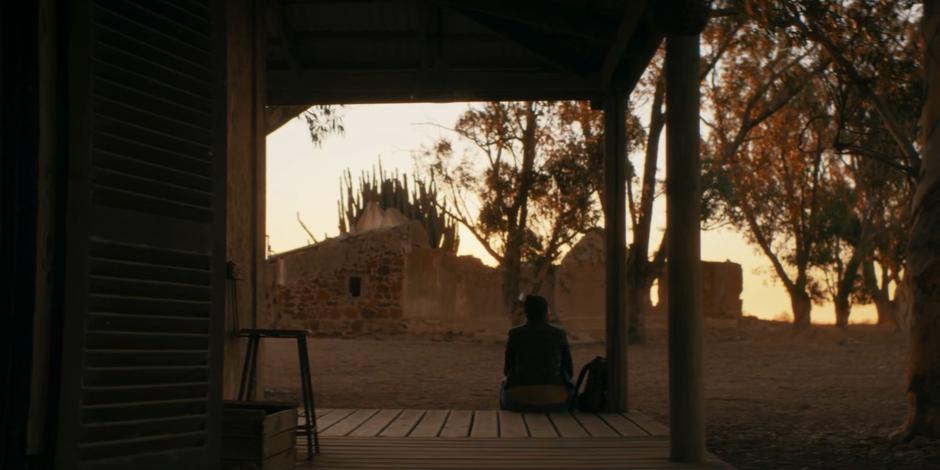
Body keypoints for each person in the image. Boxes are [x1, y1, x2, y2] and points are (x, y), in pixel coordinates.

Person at [500, 294, 574, 411]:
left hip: (519, 400)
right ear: (546, 312)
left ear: (526, 313)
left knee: (503, 386)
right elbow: (569, 370)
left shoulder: (515, 334)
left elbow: (507, 369)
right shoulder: (559, 334)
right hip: (556, 400)